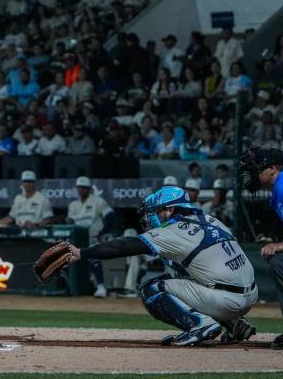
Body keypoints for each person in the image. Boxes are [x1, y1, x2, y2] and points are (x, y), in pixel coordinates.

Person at [62, 186, 257, 346]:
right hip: (249, 296)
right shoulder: (211, 220)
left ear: (170, 210)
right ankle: (234, 325)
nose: (153, 216)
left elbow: (124, 246)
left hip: (225, 300)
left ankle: (200, 324)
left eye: (157, 211)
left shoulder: (172, 231)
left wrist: (81, 253)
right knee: (185, 275)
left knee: (151, 288)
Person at [238, 147, 283, 349]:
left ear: (273, 168)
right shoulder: (278, 190)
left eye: (256, 168)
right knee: (278, 262)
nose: (251, 173)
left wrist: (279, 245)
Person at [66, 176, 115, 298]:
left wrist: (103, 232)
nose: (82, 190)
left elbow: (111, 216)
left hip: (93, 236)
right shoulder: (73, 205)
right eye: (80, 187)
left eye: (84, 188)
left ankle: (101, 286)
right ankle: (66, 287)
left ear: (89, 189)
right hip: (77, 238)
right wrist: (69, 221)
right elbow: (71, 223)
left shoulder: (98, 201)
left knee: (93, 257)